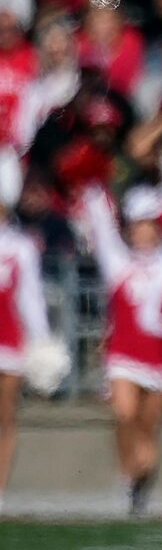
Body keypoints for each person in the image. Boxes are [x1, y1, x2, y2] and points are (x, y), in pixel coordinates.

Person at [73, 187, 162, 515]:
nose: (142, 234)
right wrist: (92, 192)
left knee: (148, 425)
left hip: (159, 358)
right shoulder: (119, 263)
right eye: (137, 228)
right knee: (124, 414)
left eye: (148, 228)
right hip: (123, 354)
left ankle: (140, 482)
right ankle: (126, 476)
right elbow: (104, 231)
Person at [0, 208, 53, 502]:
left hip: (9, 339)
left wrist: (41, 340)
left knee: (6, 416)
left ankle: (1, 488)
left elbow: (30, 295)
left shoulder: (21, 246)